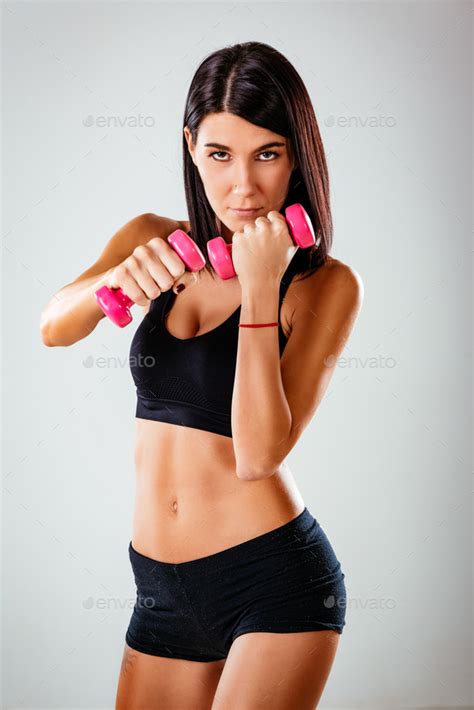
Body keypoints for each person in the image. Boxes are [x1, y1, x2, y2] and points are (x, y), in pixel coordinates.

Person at [40, 41, 363, 710]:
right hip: (159, 588)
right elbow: (53, 328)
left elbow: (257, 454)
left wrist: (263, 284)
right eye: (220, 154)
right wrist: (113, 278)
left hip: (271, 582)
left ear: (298, 153)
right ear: (191, 147)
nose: (242, 186)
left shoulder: (324, 286)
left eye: (267, 153)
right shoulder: (153, 236)